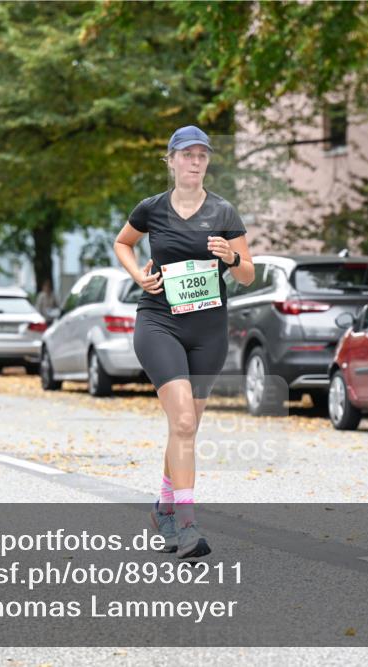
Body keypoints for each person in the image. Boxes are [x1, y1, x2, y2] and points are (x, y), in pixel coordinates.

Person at [114, 126, 255, 558]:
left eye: (202, 155)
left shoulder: (224, 212)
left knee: (184, 426)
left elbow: (248, 273)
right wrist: (139, 275)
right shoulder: (151, 209)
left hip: (208, 329)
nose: (195, 161)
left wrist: (231, 257)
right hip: (160, 323)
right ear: (171, 160)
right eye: (187, 154)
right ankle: (189, 524)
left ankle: (164, 509)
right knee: (184, 424)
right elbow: (123, 243)